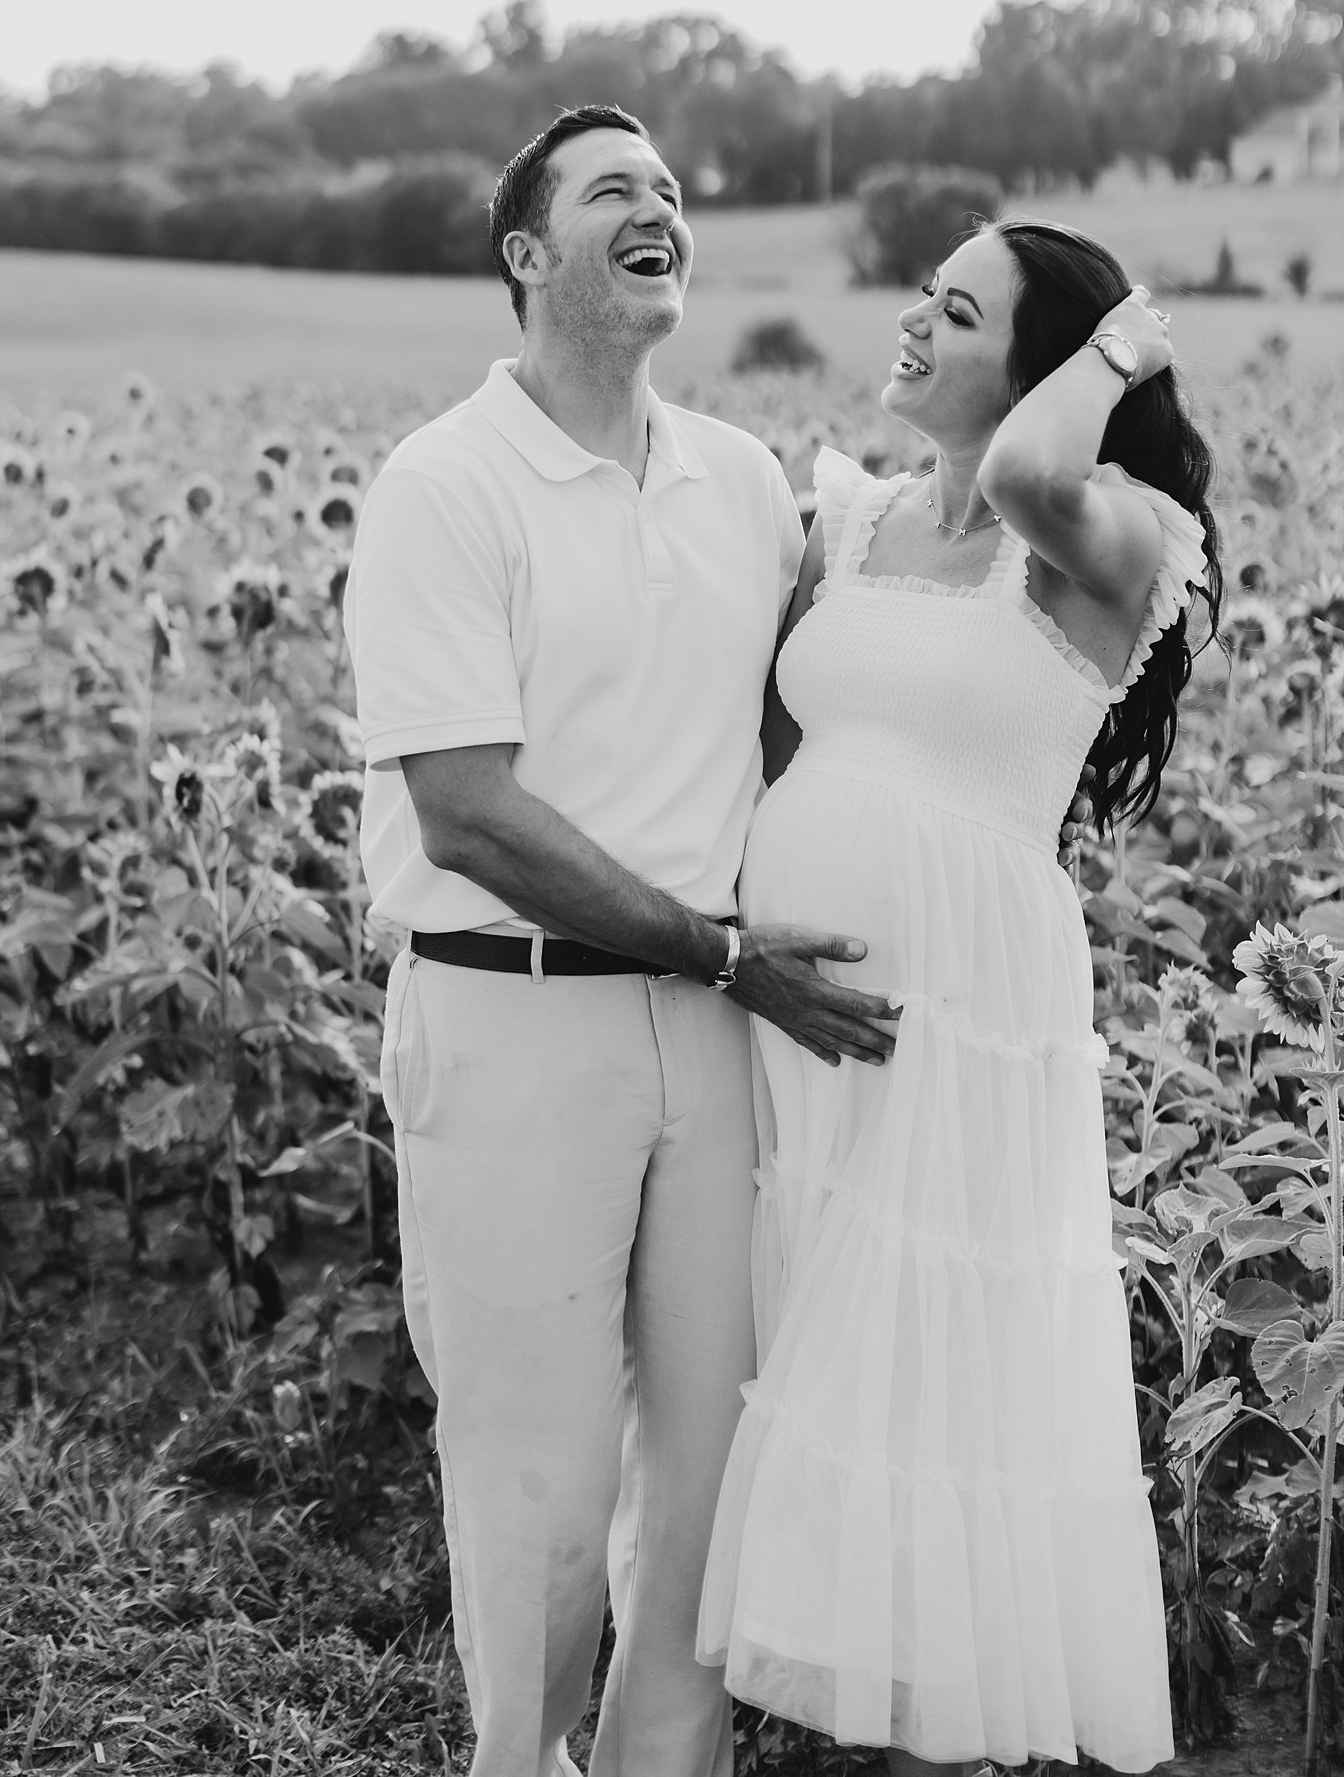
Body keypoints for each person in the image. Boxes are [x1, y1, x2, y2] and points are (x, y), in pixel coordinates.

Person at [342, 103, 902, 1777]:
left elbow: (790, 735)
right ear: (527, 254)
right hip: (514, 1015)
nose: (660, 205)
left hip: (720, 1026)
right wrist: (724, 954)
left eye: (670, 188)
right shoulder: (446, 485)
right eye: (614, 191)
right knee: (542, 1496)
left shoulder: (741, 480)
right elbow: (467, 811)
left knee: (706, 1482)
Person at [697, 220, 1222, 1774]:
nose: (916, 321)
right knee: (811, 1325)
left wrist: (1126, 342)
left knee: (942, 1357)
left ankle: (941, 1738)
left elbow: (1016, 477)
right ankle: (833, 1718)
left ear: (1046, 363)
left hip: (958, 1008)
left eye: (963, 308)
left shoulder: (1107, 526)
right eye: (923, 292)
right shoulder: (849, 520)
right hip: (788, 998)